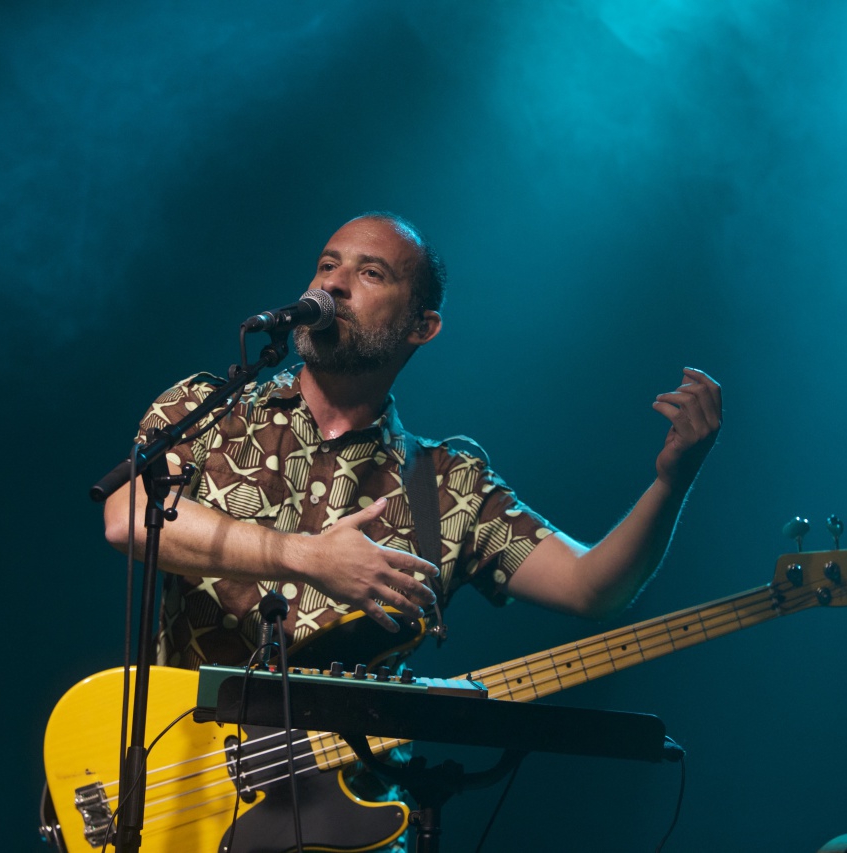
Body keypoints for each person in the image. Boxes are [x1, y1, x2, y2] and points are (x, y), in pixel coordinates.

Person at [103, 212, 722, 673]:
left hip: (343, 799)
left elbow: (591, 588)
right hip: (180, 774)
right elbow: (126, 516)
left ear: (422, 327)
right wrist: (305, 556)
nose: (335, 285)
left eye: (370, 273)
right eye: (327, 265)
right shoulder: (210, 409)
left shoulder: (451, 486)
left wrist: (672, 482)